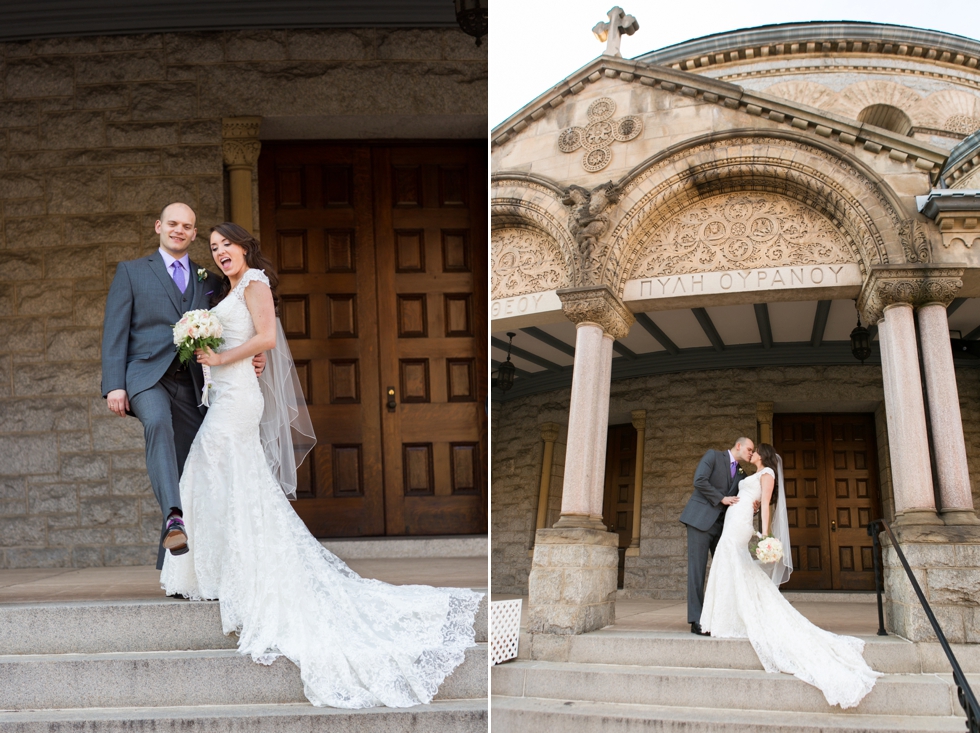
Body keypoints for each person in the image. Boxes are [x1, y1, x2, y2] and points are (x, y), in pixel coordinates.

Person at [160, 222, 482, 709]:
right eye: (214, 248)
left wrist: (222, 357)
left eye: (228, 244)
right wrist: (210, 358)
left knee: (214, 470)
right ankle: (215, 572)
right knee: (217, 476)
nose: (221, 252)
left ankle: (232, 571)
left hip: (239, 399)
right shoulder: (223, 289)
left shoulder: (255, 284)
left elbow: (266, 338)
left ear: (246, 247)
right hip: (226, 391)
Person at [101, 203, 264, 569]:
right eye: (172, 223)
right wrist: (114, 384)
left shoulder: (208, 278)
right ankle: (174, 515)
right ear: (159, 226)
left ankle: (176, 569)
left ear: (193, 234)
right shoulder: (131, 272)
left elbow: (238, 318)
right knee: (157, 423)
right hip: (145, 378)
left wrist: (257, 354)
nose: (179, 230)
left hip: (193, 384)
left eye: (187, 226)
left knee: (192, 465)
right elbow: (115, 330)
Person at [700, 443, 881, 709]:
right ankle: (725, 615)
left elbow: (766, 507)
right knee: (731, 565)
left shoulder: (768, 474)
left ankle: (731, 616)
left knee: (733, 562)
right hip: (734, 517)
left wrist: (764, 535)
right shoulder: (753, 473)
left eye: (755, 451)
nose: (752, 454)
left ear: (763, 455)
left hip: (740, 524)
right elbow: (754, 500)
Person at [680, 437, 755, 635]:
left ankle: (718, 617)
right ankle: (697, 620)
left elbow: (742, 498)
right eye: (749, 449)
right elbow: (699, 480)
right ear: (738, 446)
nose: (751, 453)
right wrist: (721, 498)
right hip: (700, 522)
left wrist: (753, 507)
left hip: (723, 527)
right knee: (697, 571)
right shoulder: (713, 456)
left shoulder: (742, 473)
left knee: (725, 570)